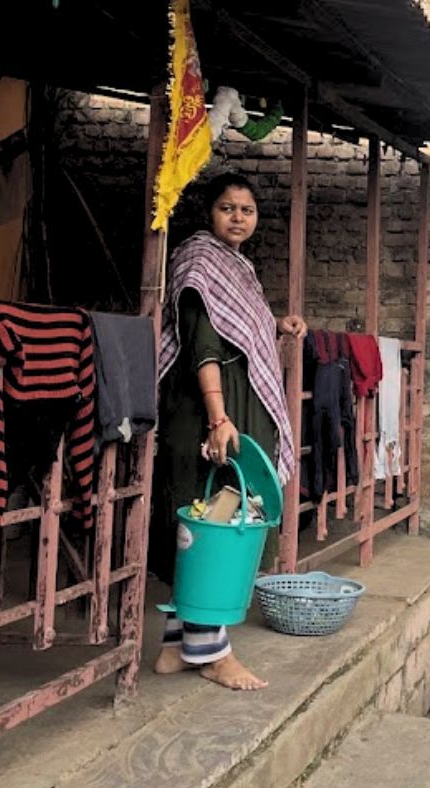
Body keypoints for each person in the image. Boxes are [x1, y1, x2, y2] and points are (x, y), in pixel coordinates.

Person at [151, 173, 307, 691]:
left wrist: (276, 325)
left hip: (228, 404)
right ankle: (212, 654)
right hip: (206, 408)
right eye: (227, 208)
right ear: (208, 213)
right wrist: (219, 419)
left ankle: (177, 644)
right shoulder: (198, 262)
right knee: (218, 519)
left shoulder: (236, 266)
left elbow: (239, 329)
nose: (238, 217)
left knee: (211, 513)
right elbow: (203, 346)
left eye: (246, 209)